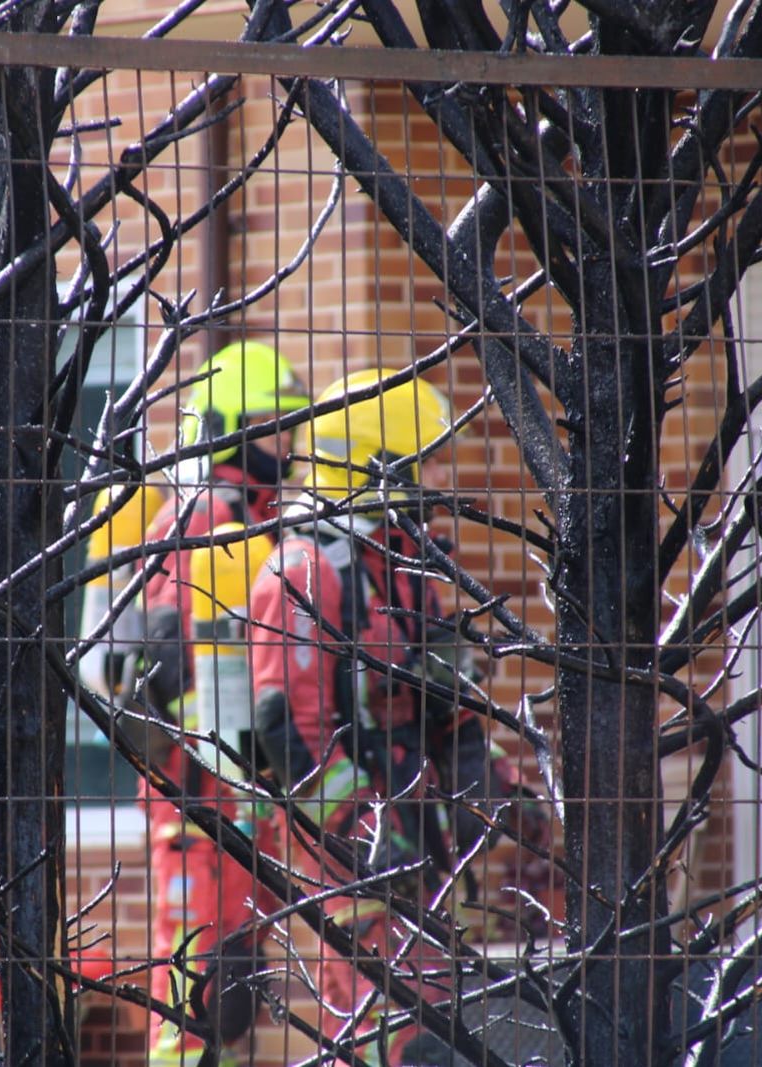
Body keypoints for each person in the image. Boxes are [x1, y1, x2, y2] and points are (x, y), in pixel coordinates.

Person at [246, 368, 551, 1067]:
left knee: (434, 1044)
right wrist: (365, 837)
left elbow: (441, 700)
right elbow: (290, 733)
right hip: (354, 883)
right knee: (387, 1047)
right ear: (376, 464)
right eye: (422, 465)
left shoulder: (400, 569)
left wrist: (494, 786)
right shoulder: (302, 574)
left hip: (421, 866)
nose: (433, 486)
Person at [79, 340, 311, 1067]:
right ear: (228, 428)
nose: (291, 443)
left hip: (241, 793)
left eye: (293, 426)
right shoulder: (199, 518)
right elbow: (163, 660)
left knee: (231, 993)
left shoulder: (259, 517)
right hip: (197, 796)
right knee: (195, 997)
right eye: (276, 426)